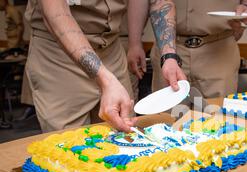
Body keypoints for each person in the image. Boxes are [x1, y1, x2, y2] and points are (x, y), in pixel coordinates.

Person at [23, 0, 184, 133]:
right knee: (71, 147)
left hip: (111, 48)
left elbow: (159, 2)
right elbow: (55, 13)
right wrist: (105, 80)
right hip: (60, 55)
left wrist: (168, 56)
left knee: (125, 136)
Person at [128, 0, 247, 101]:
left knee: (217, 123)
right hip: (169, 48)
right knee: (166, 122)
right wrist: (134, 43)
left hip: (219, 50)